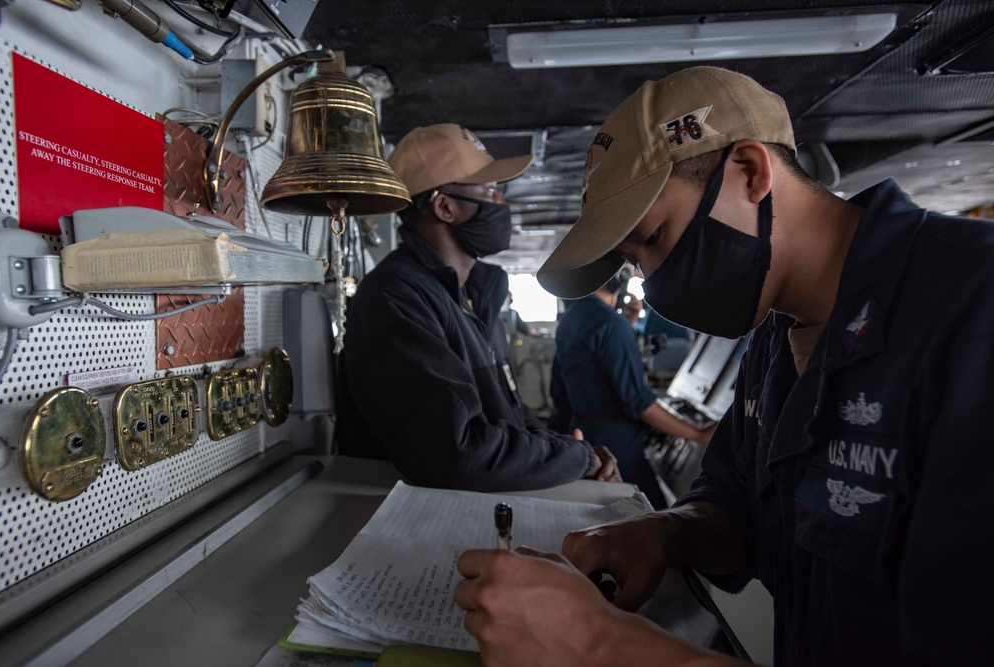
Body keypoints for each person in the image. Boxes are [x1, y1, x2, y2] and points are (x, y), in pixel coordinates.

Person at [454, 67, 994, 665]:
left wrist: (601, 645)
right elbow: (737, 501)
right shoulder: (774, 334)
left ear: (750, 172)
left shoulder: (971, 309)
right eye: (634, 264)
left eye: (654, 239)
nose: (652, 284)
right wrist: (665, 534)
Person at [337, 123, 620, 491]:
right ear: (445, 207)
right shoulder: (394, 298)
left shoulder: (475, 294)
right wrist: (577, 459)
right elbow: (457, 451)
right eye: (489, 191)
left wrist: (575, 451)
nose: (501, 204)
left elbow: (511, 415)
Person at [549, 270, 714, 508]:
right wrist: (698, 435)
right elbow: (638, 401)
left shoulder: (571, 319)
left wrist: (628, 323)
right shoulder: (612, 324)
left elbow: (568, 382)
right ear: (617, 280)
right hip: (618, 445)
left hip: (587, 435)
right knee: (654, 514)